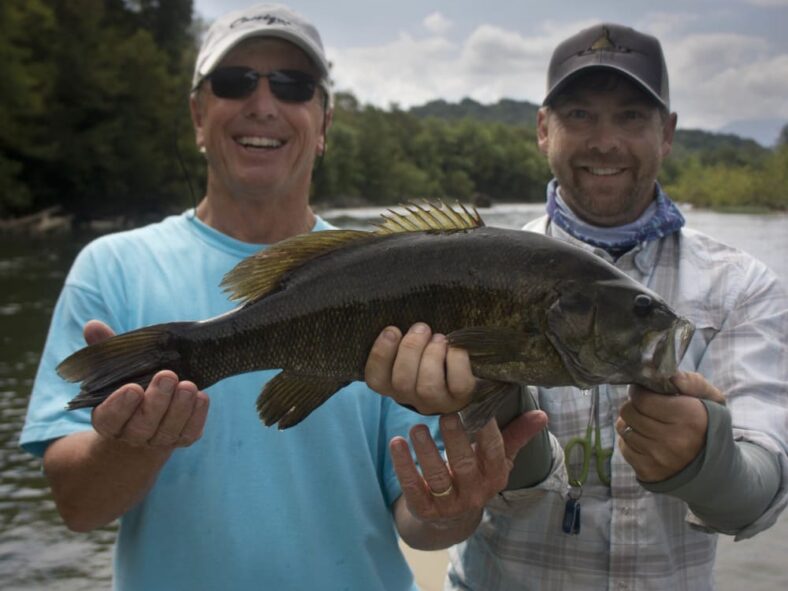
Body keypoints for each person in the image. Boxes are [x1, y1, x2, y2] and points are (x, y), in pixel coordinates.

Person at [19, 4, 547, 590]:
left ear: (324, 125)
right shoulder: (111, 268)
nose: (263, 104)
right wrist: (136, 444)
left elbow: (419, 522)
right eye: (234, 82)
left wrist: (450, 506)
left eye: (294, 86)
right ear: (198, 115)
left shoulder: (400, 278)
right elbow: (76, 508)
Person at [365, 23, 788, 590]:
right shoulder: (477, 264)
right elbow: (456, 502)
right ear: (544, 129)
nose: (604, 141)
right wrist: (503, 405)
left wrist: (710, 461)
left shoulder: (744, 286)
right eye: (580, 115)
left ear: (667, 133)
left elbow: (759, 496)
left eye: (632, 116)